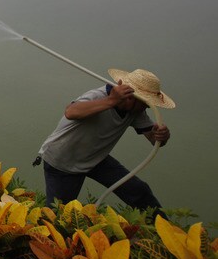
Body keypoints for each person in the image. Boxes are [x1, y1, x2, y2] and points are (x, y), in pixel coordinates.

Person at [36, 67, 175, 213]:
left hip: (95, 157)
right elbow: (71, 112)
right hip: (64, 160)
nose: (146, 108)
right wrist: (111, 101)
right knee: (59, 213)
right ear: (130, 98)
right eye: (145, 104)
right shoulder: (98, 96)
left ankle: (164, 231)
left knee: (138, 191)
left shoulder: (136, 111)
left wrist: (161, 137)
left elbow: (154, 140)